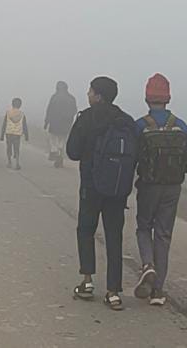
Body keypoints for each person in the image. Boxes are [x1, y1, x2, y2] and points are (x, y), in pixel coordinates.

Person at [66, 76, 137, 310]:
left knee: (86, 230)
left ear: (98, 95)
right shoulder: (126, 121)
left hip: (91, 185)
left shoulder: (86, 118)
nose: (87, 94)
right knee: (113, 236)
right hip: (117, 189)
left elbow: (73, 152)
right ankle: (113, 292)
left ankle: (87, 283)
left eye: (90, 91)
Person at [133, 73, 187, 307]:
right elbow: (185, 160)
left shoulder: (140, 126)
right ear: (168, 98)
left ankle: (148, 265)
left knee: (144, 227)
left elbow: (133, 159)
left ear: (147, 98)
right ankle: (157, 292)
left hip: (148, 186)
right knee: (164, 235)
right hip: (173, 187)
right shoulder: (181, 126)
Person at [44, 81, 78, 168]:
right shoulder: (71, 98)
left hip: (55, 123)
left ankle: (54, 150)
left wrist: (46, 121)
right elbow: (74, 111)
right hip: (66, 124)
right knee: (62, 140)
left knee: (53, 137)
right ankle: (59, 151)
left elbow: (49, 109)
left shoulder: (54, 97)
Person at [0, 97, 30, 170]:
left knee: (9, 147)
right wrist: (26, 135)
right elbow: (24, 125)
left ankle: (9, 162)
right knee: (16, 148)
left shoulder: (8, 113)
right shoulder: (22, 114)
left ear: (12, 104)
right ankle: (17, 162)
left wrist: (2, 135)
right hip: (17, 133)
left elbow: (4, 124)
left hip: (9, 132)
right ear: (20, 105)